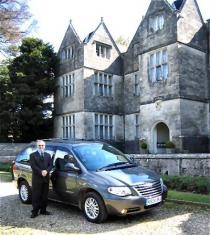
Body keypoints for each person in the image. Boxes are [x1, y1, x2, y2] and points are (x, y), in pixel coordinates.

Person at [30, 140, 53, 218]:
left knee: (44, 195)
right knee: (36, 196)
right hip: (37, 179)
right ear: (37, 146)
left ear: (44, 146)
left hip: (46, 178)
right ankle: (35, 212)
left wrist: (47, 171)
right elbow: (33, 166)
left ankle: (43, 210)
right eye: (39, 145)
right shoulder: (33, 155)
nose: (41, 147)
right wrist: (41, 172)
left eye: (42, 145)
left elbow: (51, 165)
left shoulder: (48, 155)